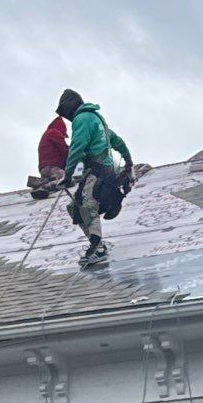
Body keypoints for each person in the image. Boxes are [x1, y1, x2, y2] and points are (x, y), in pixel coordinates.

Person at [57, 88, 133, 269]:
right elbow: (115, 139)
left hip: (97, 172)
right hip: (105, 171)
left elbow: (76, 147)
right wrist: (128, 158)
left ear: (69, 108)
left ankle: (97, 247)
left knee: (87, 205)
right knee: (74, 207)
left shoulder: (81, 119)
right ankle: (97, 240)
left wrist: (67, 175)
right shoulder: (97, 118)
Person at [27, 114, 68, 198]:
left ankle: (43, 182)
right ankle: (43, 188)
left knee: (55, 178)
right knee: (64, 178)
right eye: (64, 135)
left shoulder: (48, 133)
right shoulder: (54, 132)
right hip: (52, 167)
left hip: (46, 169)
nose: (64, 136)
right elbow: (65, 149)